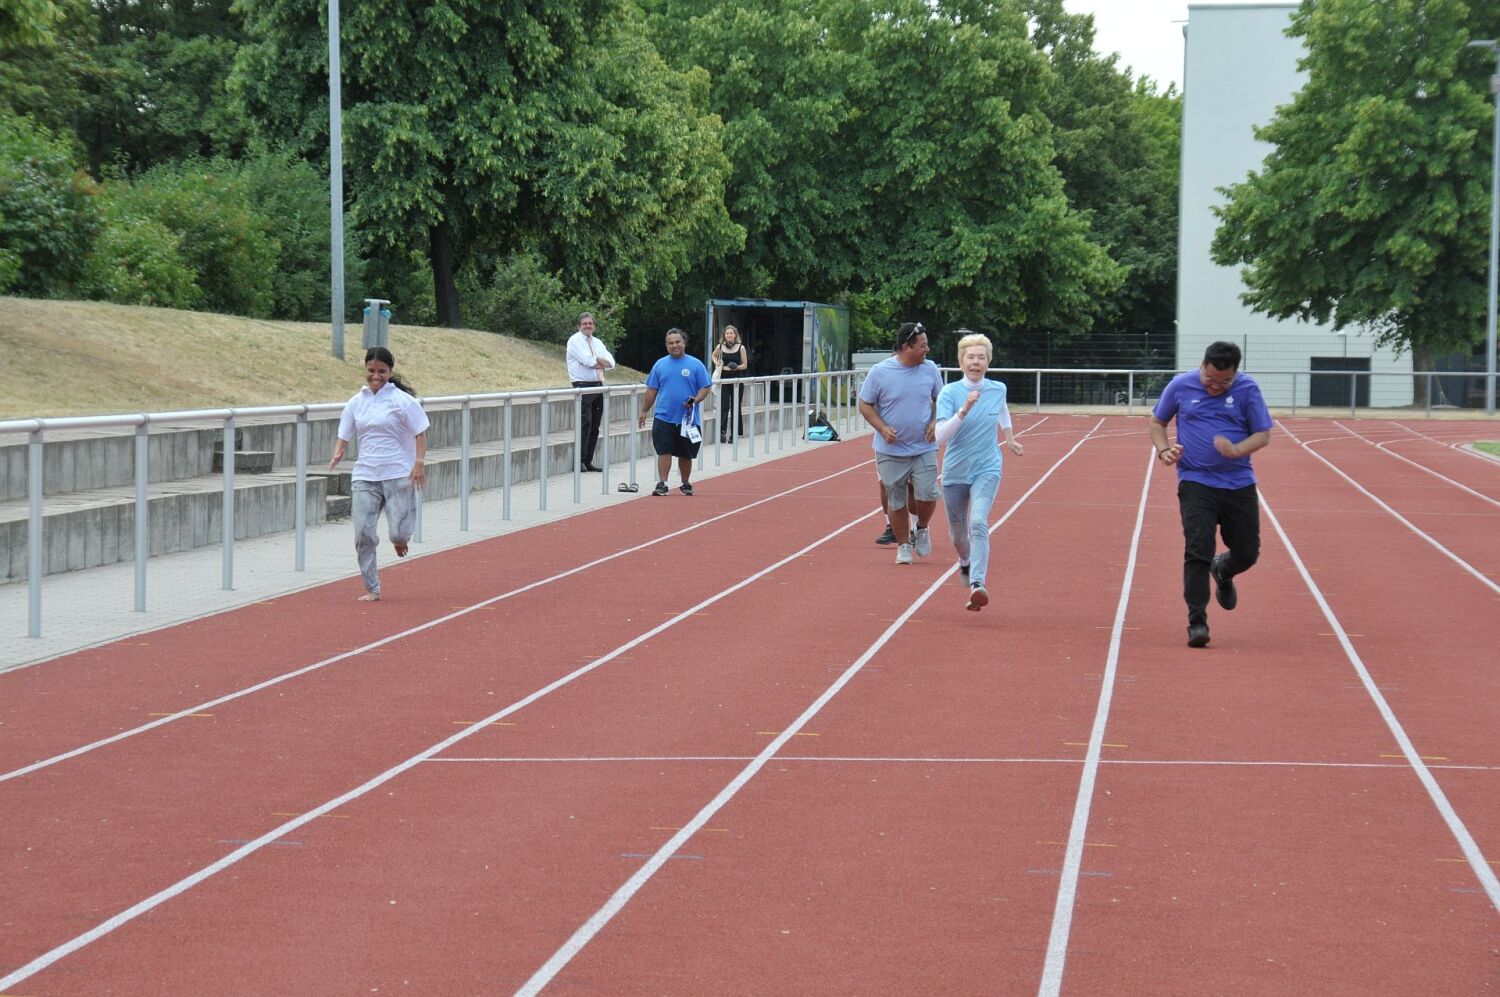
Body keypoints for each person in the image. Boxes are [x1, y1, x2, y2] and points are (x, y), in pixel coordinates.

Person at [1150, 340, 1272, 647]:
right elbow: (1157, 422)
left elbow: (1263, 434)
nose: (1216, 387)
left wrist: (1237, 450)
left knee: (1247, 552)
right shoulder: (1181, 385)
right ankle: (1197, 621)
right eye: (1210, 379)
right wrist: (1164, 450)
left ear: (1235, 374)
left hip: (1238, 482)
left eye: (1224, 382)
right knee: (1197, 547)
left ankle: (1224, 569)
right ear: (1202, 366)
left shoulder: (1247, 390)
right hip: (1195, 480)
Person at [329, 346, 430, 602]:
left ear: (390, 371)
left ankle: (400, 539)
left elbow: (420, 432)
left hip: (397, 473)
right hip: (365, 475)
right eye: (372, 371)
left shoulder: (402, 401)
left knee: (397, 532)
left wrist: (418, 462)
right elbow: (345, 432)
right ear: (365, 370)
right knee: (363, 532)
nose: (376, 376)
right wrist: (338, 452)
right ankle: (372, 587)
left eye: (382, 371)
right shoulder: (356, 402)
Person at [935, 331, 1023, 611]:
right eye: (970, 357)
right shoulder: (950, 393)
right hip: (955, 471)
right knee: (958, 534)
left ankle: (977, 583)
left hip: (988, 467)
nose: (976, 362)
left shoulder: (998, 388)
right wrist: (964, 410)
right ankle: (964, 561)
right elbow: (940, 437)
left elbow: (1002, 409)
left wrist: (1008, 436)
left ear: (988, 361)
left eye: (981, 357)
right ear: (961, 362)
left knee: (979, 523)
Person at [857, 321, 943, 564]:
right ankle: (904, 544)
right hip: (891, 450)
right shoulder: (880, 371)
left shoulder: (930, 370)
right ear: (906, 347)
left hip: (923, 447)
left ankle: (922, 529)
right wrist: (882, 428)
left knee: (927, 494)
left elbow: (941, 399)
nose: (927, 349)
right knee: (896, 498)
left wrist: (935, 421)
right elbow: (864, 404)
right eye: (922, 345)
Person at [638, 328, 713, 496]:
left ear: (684, 343)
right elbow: (651, 390)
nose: (674, 345)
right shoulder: (660, 364)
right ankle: (663, 483)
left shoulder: (695, 364)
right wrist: (644, 411)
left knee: (686, 453)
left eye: (677, 342)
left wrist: (696, 399)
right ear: (666, 346)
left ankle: (685, 483)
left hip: (688, 419)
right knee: (664, 450)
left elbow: (705, 387)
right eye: (670, 343)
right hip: (664, 416)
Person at [565, 311, 615, 472]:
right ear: (578, 326)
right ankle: (579, 460)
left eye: (590, 323)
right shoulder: (574, 340)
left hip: (598, 384)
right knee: (585, 423)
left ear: (594, 326)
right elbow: (588, 361)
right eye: (585, 323)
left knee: (595, 425)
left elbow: (612, 363)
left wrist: (600, 363)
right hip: (583, 386)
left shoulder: (597, 342)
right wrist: (601, 363)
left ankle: (588, 460)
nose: (588, 326)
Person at [712, 324, 750, 442]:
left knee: (736, 406)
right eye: (727, 333)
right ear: (724, 335)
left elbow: (745, 365)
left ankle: (734, 433)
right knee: (723, 405)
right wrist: (717, 363)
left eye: (731, 333)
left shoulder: (741, 348)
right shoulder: (720, 346)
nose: (729, 335)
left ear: (735, 335)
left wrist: (737, 367)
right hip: (723, 379)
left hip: (736, 379)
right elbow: (714, 355)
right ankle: (722, 431)